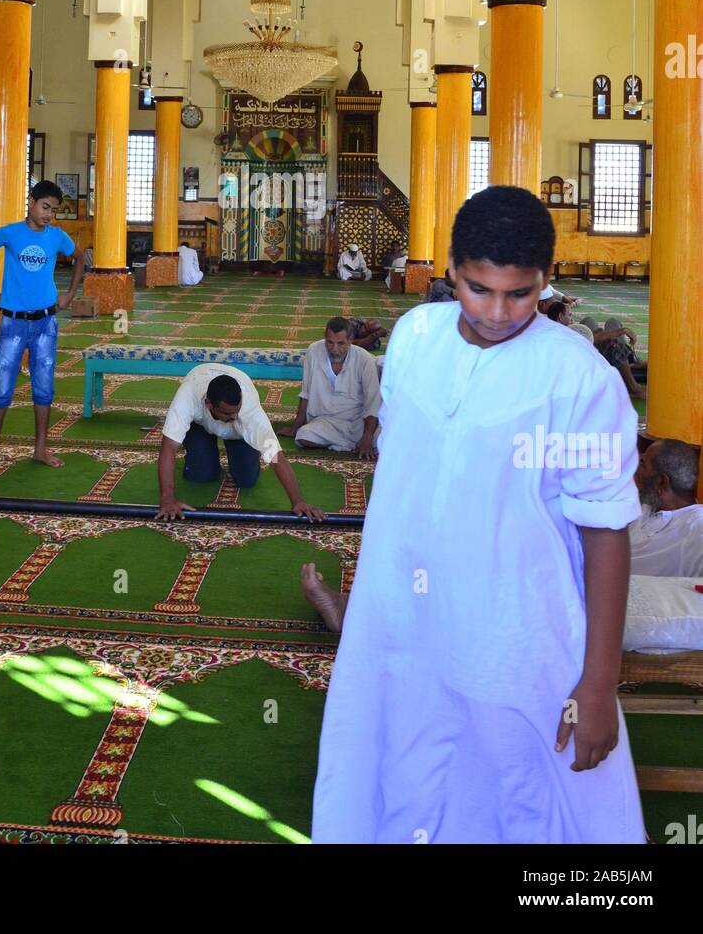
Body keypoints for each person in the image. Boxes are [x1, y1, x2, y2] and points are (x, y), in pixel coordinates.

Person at [311, 184, 645, 845]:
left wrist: (598, 685)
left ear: (545, 283)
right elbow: (403, 477)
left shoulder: (577, 377)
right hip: (403, 615)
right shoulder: (413, 337)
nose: (496, 311)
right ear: (451, 269)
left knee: (517, 785)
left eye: (518, 294)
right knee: (400, 768)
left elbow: (605, 530)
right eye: (476, 288)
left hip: (515, 627)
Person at [0, 180, 86, 473]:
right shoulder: (11, 233)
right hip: (13, 323)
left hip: (46, 323)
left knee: (44, 390)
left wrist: (70, 294)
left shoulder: (57, 237)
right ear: (31, 202)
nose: (49, 214)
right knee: (2, 389)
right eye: (45, 207)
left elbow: (80, 257)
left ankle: (40, 450)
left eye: (54, 210)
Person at [155, 367, 324, 522]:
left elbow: (275, 455)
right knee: (201, 475)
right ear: (208, 404)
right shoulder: (188, 396)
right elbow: (168, 447)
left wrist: (298, 501)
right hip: (200, 425)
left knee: (247, 479)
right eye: (228, 413)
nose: (235, 417)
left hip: (239, 434)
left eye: (237, 410)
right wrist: (167, 499)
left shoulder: (249, 411)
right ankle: (204, 451)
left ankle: (240, 451)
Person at [287, 318, 381, 457]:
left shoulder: (364, 359)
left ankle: (348, 443)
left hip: (357, 422)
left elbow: (373, 403)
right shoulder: (314, 351)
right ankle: (351, 445)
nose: (334, 349)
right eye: (329, 342)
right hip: (325, 420)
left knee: (386, 438)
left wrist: (367, 438)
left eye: (340, 343)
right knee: (304, 436)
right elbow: (305, 393)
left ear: (350, 340)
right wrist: (295, 427)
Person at [630, 439, 703, 577]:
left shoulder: (696, 527)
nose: (636, 469)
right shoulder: (647, 505)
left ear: (661, 482)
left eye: (642, 464)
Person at [579, 317, 647, 399]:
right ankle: (633, 387)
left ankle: (621, 354)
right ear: (561, 316)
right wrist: (623, 331)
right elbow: (594, 339)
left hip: (608, 352)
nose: (571, 320)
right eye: (569, 315)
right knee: (611, 341)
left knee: (609, 322)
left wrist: (642, 364)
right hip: (603, 354)